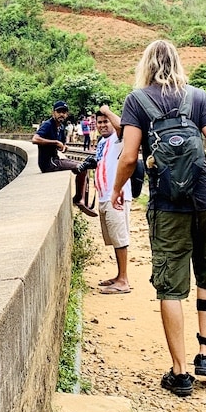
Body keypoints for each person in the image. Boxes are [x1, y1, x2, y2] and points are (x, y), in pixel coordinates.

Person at [111, 40, 206, 398]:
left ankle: (180, 374)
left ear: (146, 64)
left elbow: (129, 157)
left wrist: (117, 190)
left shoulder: (137, 100)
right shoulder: (197, 97)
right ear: (177, 62)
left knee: (171, 286)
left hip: (167, 203)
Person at [31, 101, 97, 218]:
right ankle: (78, 200)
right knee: (81, 167)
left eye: (64, 112)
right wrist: (55, 142)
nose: (61, 114)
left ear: (67, 114)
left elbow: (62, 146)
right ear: (53, 113)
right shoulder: (48, 125)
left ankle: (80, 199)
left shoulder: (61, 128)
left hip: (56, 160)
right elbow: (35, 139)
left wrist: (63, 147)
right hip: (48, 163)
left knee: (84, 167)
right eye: (59, 112)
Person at [92, 105, 132, 294]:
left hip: (117, 195)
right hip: (104, 196)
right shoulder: (102, 142)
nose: (103, 125)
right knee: (115, 238)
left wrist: (107, 111)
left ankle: (124, 281)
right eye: (99, 122)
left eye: (105, 121)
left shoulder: (118, 139)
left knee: (120, 237)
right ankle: (119, 276)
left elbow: (123, 127)